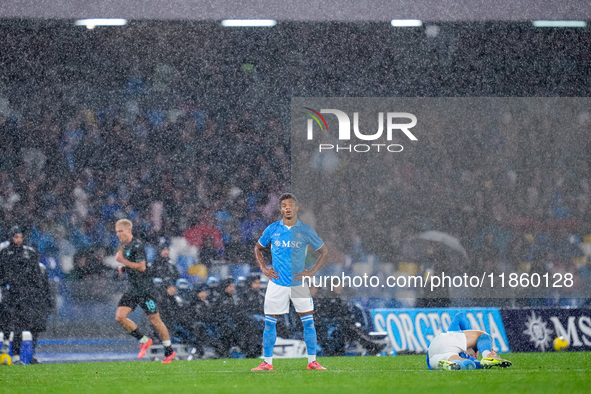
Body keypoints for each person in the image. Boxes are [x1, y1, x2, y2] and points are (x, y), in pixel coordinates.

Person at [251, 193, 329, 371]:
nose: (287, 207)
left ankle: (312, 361)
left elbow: (324, 252)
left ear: (296, 208)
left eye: (291, 205)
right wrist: (264, 268)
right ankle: (267, 363)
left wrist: (311, 272)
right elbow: (258, 247)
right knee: (270, 323)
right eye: (284, 205)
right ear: (280, 209)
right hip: (277, 283)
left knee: (308, 322)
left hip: (298, 284)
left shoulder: (306, 230)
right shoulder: (272, 229)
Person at [114, 219, 175, 363]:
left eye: (120, 231)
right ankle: (144, 340)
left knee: (155, 320)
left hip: (145, 290)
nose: (118, 234)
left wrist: (123, 262)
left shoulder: (137, 245)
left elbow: (142, 267)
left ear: (129, 230)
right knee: (119, 317)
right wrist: (124, 268)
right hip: (133, 289)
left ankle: (169, 351)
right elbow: (132, 265)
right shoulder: (124, 246)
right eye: (116, 232)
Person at [0, 226, 54, 364]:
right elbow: (3, 273)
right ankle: (10, 351)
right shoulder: (5, 253)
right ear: (11, 238)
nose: (18, 240)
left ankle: (25, 356)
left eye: (20, 237)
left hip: (27, 295)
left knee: (30, 326)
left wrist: (37, 293)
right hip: (11, 293)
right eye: (15, 237)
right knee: (12, 322)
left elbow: (36, 277)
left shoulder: (29, 253)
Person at [427, 313, 512, 371]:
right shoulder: (462, 347)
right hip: (443, 345)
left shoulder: (452, 337)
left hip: (433, 356)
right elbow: (459, 317)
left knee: (461, 363)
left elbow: (459, 316)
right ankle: (487, 354)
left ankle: (452, 364)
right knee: (484, 335)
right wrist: (470, 347)